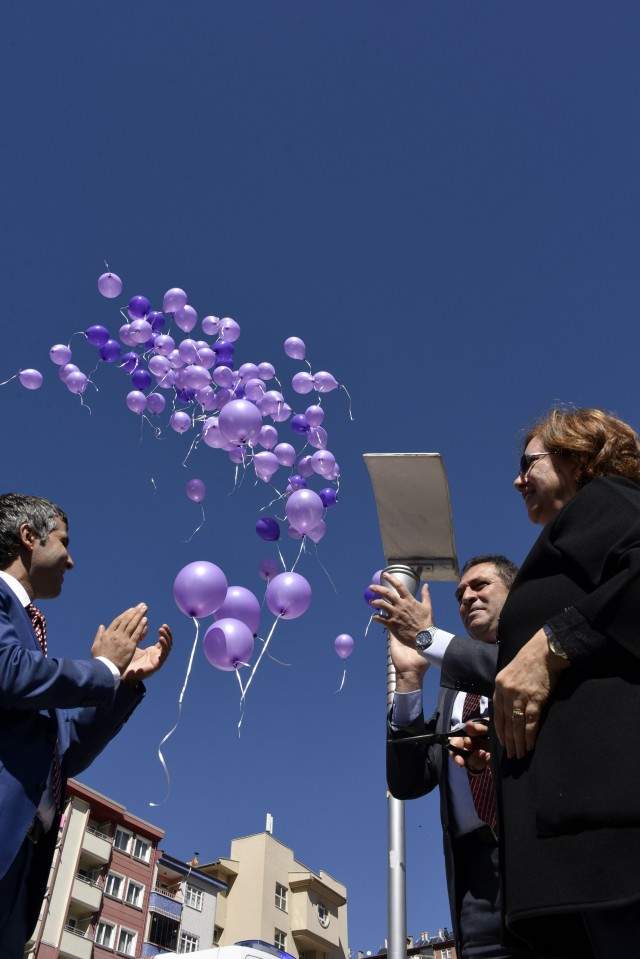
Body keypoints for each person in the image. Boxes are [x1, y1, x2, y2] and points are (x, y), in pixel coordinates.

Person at [490, 408, 640, 959]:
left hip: (615, 847)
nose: (517, 480)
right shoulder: (568, 533)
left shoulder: (607, 500)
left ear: (578, 459)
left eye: (528, 462)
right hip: (574, 856)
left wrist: (555, 644)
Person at [0, 493, 173, 956]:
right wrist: (102, 669)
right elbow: (8, 672)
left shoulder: (31, 631)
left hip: (22, 863)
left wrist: (121, 683)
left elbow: (65, 754)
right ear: (29, 537)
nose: (72, 560)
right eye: (64, 542)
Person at [373, 556, 533, 959]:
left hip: (537, 859)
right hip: (474, 881)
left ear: (514, 592)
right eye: (460, 594)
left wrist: (427, 637)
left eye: (480, 586)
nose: (467, 597)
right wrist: (409, 681)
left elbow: (504, 672)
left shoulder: (535, 648)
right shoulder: (452, 690)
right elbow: (409, 782)